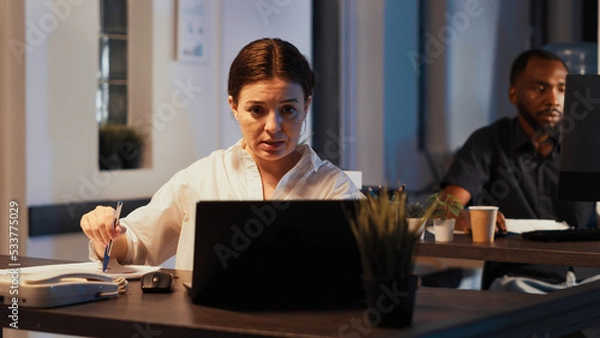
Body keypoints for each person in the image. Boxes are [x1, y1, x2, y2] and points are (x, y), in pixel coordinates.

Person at [80, 38, 364, 271]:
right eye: (257, 110)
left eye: (288, 110)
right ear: (234, 106)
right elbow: (136, 246)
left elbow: (360, 272)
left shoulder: (334, 189)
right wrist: (105, 233)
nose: (273, 127)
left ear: (306, 106)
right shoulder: (202, 178)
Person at [439, 49, 597, 291]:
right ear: (513, 94)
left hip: (583, 280)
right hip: (516, 280)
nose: (553, 99)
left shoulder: (588, 144)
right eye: (540, 89)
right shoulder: (489, 141)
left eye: (563, 89)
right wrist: (466, 216)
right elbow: (446, 206)